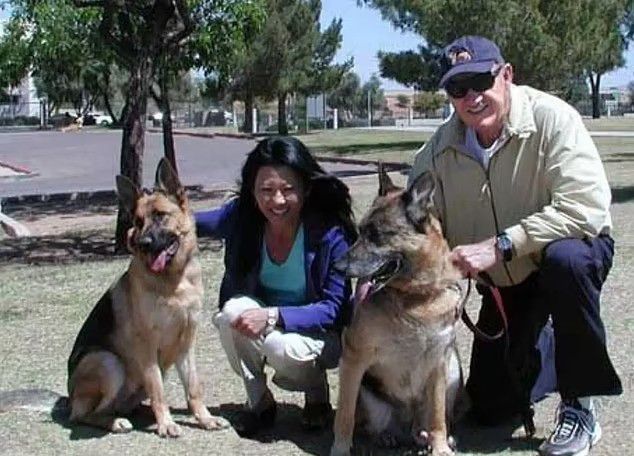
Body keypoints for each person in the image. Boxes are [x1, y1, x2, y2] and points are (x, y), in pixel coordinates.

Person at [408, 36, 622, 456]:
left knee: (568, 262)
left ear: (505, 75)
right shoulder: (437, 150)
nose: (471, 97)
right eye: (457, 88)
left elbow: (587, 209)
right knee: (490, 409)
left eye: (480, 81)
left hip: (560, 257)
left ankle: (580, 406)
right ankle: (542, 347)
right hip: (505, 281)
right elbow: (418, 221)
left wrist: (503, 244)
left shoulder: (553, 118)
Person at [195, 136, 357, 437]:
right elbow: (190, 223)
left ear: (306, 188)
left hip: (320, 336)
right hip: (270, 326)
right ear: (252, 191)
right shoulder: (243, 218)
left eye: (288, 189)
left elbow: (333, 309)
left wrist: (271, 316)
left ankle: (317, 395)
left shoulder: (330, 233)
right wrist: (147, 224)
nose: (277, 201)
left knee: (279, 346)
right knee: (232, 314)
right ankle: (260, 403)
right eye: (266, 190)